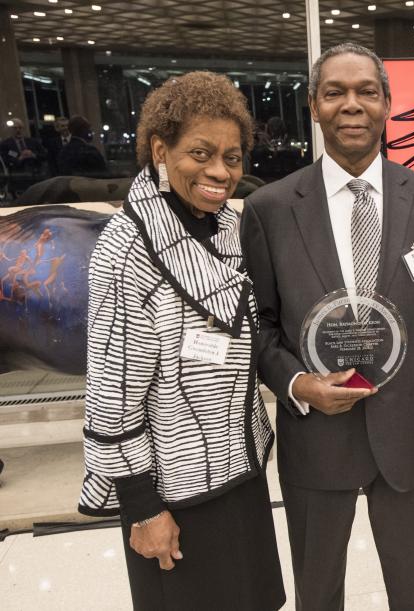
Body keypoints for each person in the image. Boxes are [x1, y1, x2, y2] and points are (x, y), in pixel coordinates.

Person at [240, 43, 414, 611]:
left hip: (411, 433)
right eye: (335, 92)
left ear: (387, 104)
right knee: (317, 593)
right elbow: (261, 327)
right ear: (315, 107)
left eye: (366, 91)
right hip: (316, 435)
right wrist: (298, 385)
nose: (352, 104)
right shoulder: (270, 209)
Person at [78, 71, 285, 611]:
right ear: (159, 150)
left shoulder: (224, 227)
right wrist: (143, 509)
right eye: (201, 153)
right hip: (170, 489)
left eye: (233, 157)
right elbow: (112, 393)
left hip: (238, 471)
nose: (220, 171)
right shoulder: (128, 247)